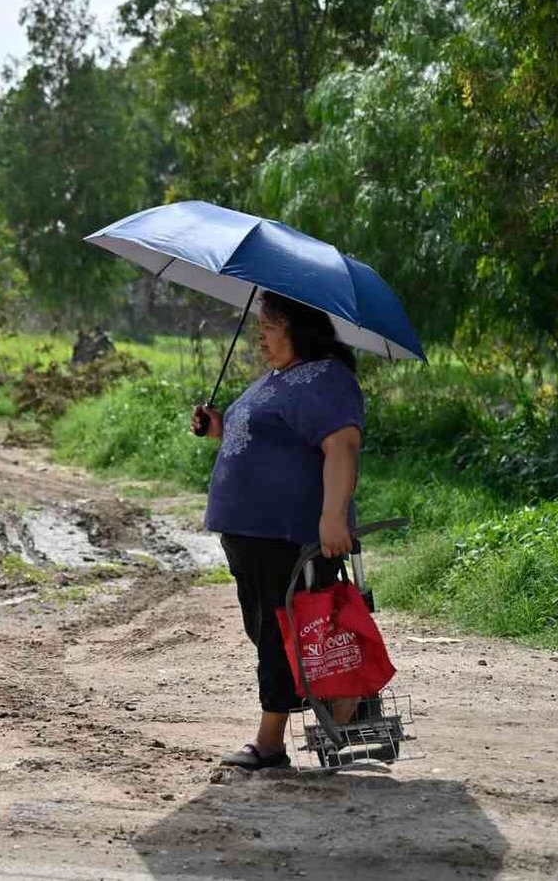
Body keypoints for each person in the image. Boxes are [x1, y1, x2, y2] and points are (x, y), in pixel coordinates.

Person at [191, 291, 363, 770]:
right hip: (250, 531)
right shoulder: (279, 377)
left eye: (267, 326)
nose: (260, 336)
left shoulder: (327, 378)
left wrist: (332, 517)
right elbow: (273, 438)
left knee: (277, 630)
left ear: (296, 326)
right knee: (264, 627)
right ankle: (343, 695)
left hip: (286, 532)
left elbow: (341, 449)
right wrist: (219, 427)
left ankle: (269, 744)